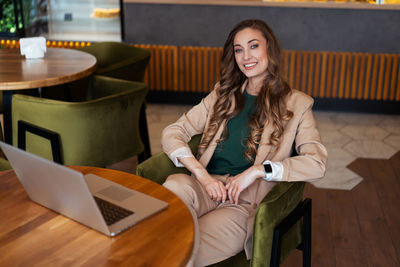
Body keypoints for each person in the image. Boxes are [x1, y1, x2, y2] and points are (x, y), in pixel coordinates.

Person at [161, 19, 328, 267]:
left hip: (243, 204)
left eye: (253, 46)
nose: (245, 56)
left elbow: (316, 164)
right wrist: (201, 174)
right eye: (239, 49)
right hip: (204, 187)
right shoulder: (222, 94)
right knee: (173, 191)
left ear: (269, 50)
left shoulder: (298, 104)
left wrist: (259, 170)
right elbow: (173, 131)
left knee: (184, 247)